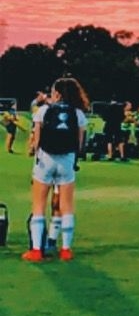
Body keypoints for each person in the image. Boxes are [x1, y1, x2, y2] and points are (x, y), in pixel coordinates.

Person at [22, 76, 89, 263]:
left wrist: (33, 150)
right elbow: (80, 143)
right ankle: (65, 250)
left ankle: (36, 251)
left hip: (45, 160)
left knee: (38, 206)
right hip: (66, 162)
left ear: (56, 93)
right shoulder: (79, 114)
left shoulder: (43, 111)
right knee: (66, 206)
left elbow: (36, 142)